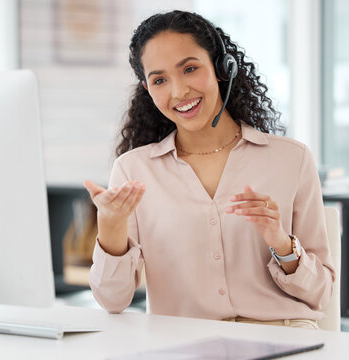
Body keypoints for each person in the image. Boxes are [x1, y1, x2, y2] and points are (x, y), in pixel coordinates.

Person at [83, 10, 335, 329]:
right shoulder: (134, 169)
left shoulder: (291, 159)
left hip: (282, 333)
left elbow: (320, 292)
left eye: (189, 68)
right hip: (184, 341)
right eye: (160, 79)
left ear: (220, 67)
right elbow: (112, 301)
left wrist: (282, 244)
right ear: (147, 88)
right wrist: (111, 226)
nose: (179, 91)